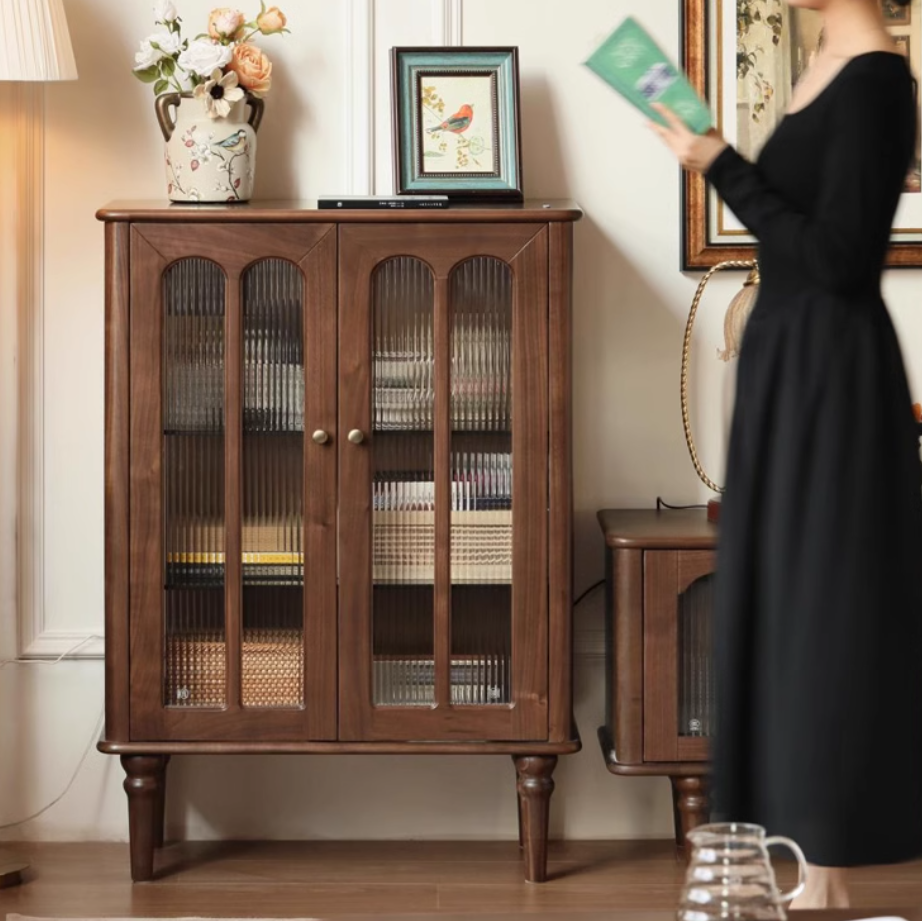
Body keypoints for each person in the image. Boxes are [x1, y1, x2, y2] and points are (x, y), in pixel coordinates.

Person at [650, 0, 922, 909]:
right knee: (784, 597)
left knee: (827, 602)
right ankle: (814, 861)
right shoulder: (823, 66)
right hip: (787, 359)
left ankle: (833, 866)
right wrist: (718, 155)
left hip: (830, 372)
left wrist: (717, 162)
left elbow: (841, 258)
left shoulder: (880, 80)